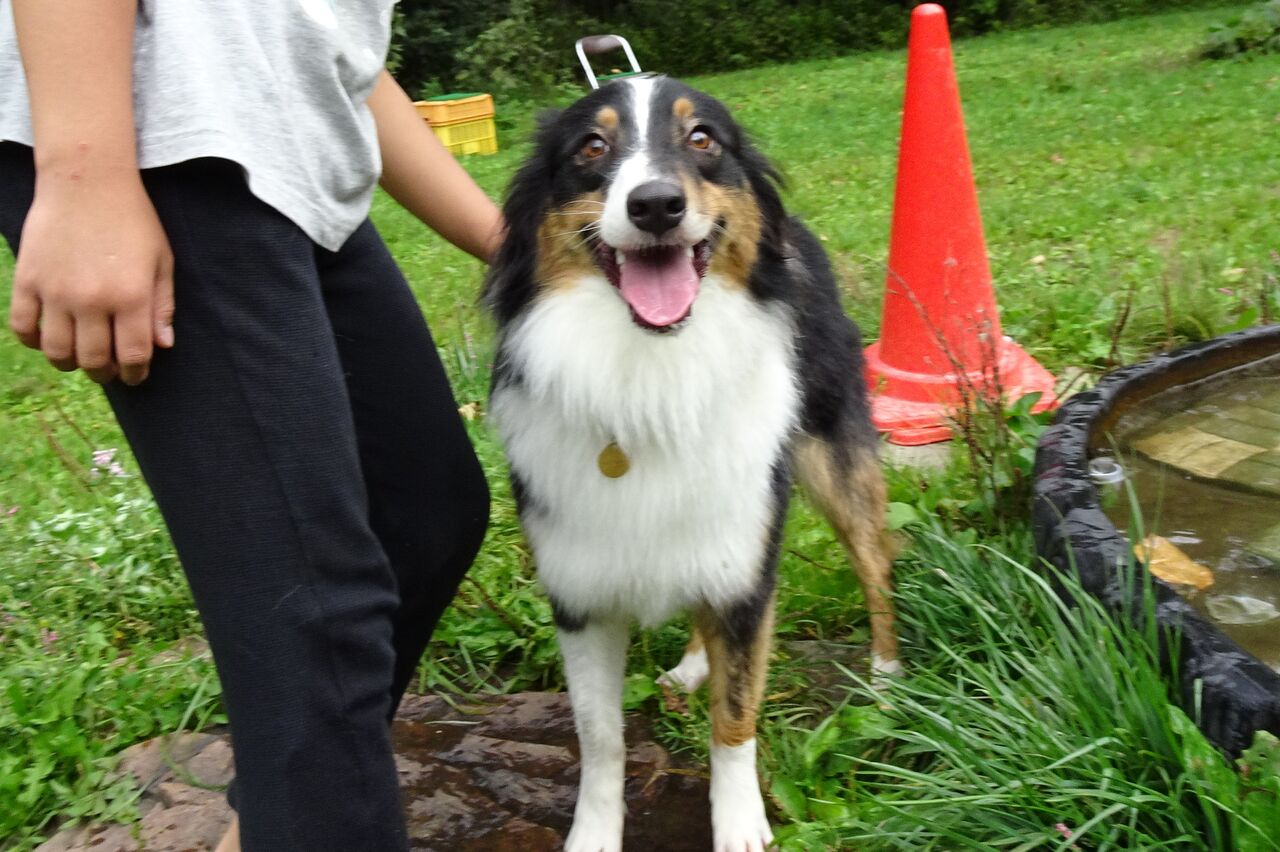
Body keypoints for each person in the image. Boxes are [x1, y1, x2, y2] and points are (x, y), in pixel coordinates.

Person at [0, 2, 503, 849]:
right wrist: (85, 173)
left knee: (423, 513)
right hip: (154, 130)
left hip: (288, 145)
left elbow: (335, 41)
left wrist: (522, 249)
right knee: (310, 614)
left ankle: (286, 810)